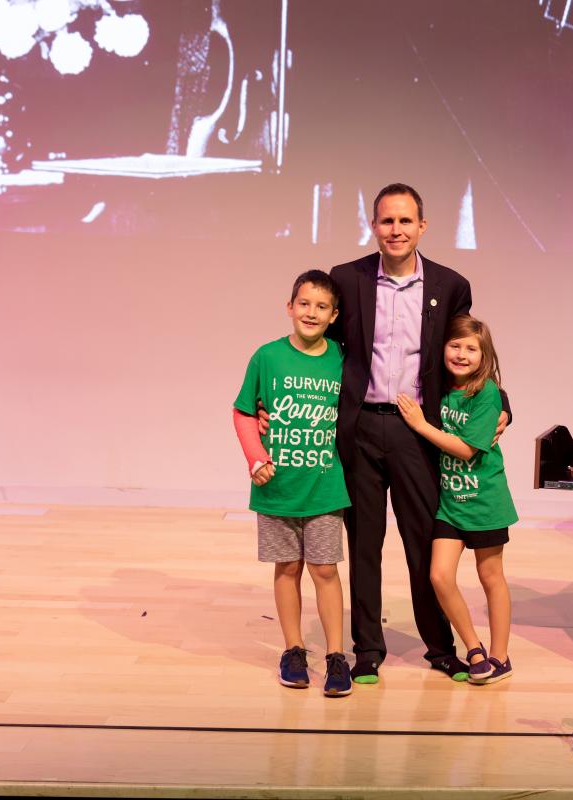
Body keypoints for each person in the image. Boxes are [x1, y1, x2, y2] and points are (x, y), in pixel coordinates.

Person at [327, 183, 508, 685]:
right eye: (387, 221)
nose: (396, 230)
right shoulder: (347, 278)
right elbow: (324, 348)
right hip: (361, 427)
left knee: (423, 543)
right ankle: (367, 649)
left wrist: (502, 404)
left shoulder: (451, 285)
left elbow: (468, 353)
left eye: (405, 221)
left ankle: (440, 647)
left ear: (422, 227)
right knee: (365, 545)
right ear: (373, 225)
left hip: (418, 433)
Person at [232, 270, 352, 697]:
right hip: (277, 487)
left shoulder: (342, 359)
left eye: (321, 307)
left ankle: (336, 655)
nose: (311, 312)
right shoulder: (267, 357)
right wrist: (256, 458)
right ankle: (294, 650)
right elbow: (244, 412)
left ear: (334, 315)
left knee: (325, 569)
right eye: (304, 303)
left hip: (324, 485)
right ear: (289, 307)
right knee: (287, 568)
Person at [397, 315, 518, 685]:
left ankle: (501, 656)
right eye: (455, 345)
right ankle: (474, 648)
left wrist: (421, 425)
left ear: (485, 356)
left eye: (471, 349)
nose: (462, 354)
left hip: (485, 502)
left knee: (490, 576)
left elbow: (466, 450)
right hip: (450, 503)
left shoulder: (487, 394)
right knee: (439, 575)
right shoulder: (439, 389)